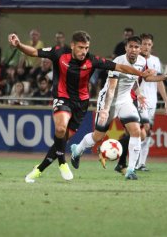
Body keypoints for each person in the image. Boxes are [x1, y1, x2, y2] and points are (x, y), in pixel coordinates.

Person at [8, 31, 153, 183]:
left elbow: (121, 68)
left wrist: (141, 74)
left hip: (81, 104)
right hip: (62, 98)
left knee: (62, 140)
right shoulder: (58, 53)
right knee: (60, 129)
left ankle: (39, 169)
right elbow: (33, 52)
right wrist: (18, 45)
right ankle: (62, 162)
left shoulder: (92, 60)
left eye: (86, 48)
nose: (84, 51)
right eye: (81, 47)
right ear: (72, 46)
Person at [70, 36, 167, 180]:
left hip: (126, 99)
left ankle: (131, 170)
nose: (133, 50)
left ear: (140, 50)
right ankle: (77, 150)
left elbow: (143, 78)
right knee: (98, 136)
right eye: (130, 47)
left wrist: (164, 77)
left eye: (136, 47)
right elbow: (111, 89)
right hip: (109, 99)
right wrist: (106, 109)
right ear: (126, 48)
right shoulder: (117, 62)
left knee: (136, 131)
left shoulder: (142, 61)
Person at [136, 33, 167, 171]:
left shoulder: (156, 60)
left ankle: (141, 163)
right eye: (144, 44)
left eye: (149, 44)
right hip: (139, 101)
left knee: (147, 133)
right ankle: (133, 161)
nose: (146, 47)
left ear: (152, 46)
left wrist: (166, 101)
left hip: (152, 102)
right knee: (143, 130)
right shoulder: (136, 61)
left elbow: (160, 81)